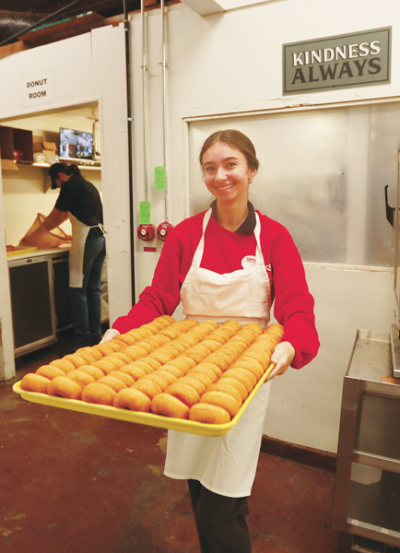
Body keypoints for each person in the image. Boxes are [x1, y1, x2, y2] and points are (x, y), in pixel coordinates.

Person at [103, 130, 320, 552]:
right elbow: (159, 298)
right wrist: (121, 330)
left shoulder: (274, 237)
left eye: (231, 164)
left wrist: (292, 343)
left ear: (251, 171)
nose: (220, 176)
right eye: (210, 168)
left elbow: (296, 305)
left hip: (241, 377)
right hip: (188, 373)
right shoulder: (186, 235)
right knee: (200, 487)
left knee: (224, 502)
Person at [42, 162, 106, 350]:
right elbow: (65, 215)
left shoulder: (70, 186)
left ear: (60, 176)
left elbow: (57, 213)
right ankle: (95, 336)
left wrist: (41, 230)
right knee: (94, 289)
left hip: (86, 240)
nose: (59, 186)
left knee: (77, 290)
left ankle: (81, 340)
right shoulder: (86, 184)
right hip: (101, 238)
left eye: (57, 182)